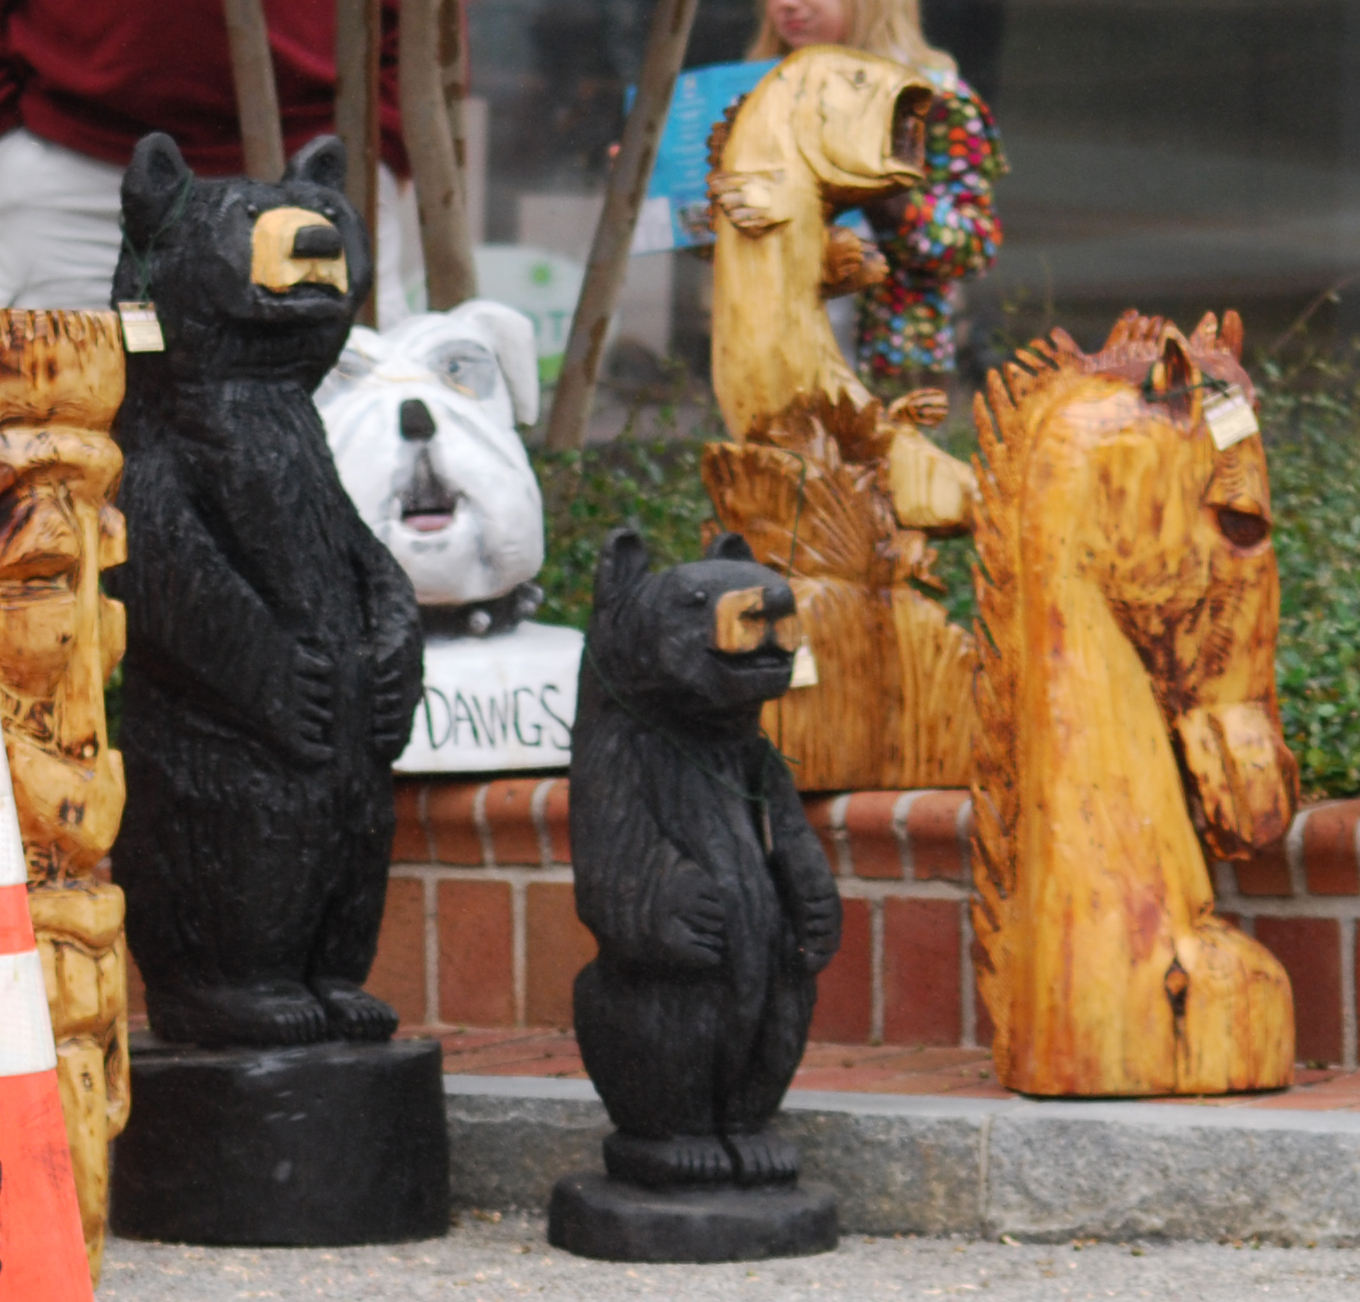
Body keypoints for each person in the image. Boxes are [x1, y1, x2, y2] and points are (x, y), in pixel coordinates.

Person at [0, 0, 424, 325]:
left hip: (312, 173)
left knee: (348, 405)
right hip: (75, 176)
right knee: (62, 400)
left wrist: (386, 139)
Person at [750, 0, 1006, 395]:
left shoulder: (931, 98)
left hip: (891, 369)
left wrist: (888, 199)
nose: (787, 4)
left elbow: (974, 246)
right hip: (776, 364)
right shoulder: (757, 93)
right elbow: (716, 240)